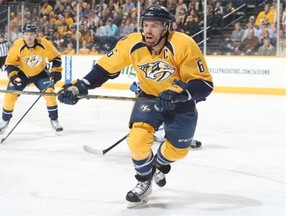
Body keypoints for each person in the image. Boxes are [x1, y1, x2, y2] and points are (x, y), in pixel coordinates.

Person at [58, 5, 213, 208]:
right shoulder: (132, 43)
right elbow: (104, 69)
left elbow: (204, 84)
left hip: (180, 103)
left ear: (166, 28)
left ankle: (158, 163)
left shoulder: (183, 44)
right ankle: (143, 181)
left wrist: (180, 93)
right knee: (137, 141)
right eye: (146, 25)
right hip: (148, 98)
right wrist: (80, 87)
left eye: (155, 26)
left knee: (178, 151)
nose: (148, 31)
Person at [0, 24, 63, 133]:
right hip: (22, 74)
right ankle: (4, 121)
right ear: (23, 35)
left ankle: (54, 120)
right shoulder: (18, 45)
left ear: (36, 35)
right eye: (26, 34)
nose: (29, 37)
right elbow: (10, 63)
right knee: (10, 95)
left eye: (32, 34)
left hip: (40, 74)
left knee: (50, 93)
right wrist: (14, 76)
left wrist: (56, 71)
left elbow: (56, 58)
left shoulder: (44, 43)